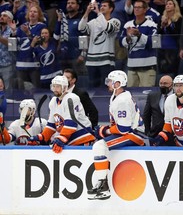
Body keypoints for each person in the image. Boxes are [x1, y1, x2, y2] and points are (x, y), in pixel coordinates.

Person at [89, 70, 144, 200]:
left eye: (110, 81)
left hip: (134, 134)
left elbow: (124, 129)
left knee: (99, 147)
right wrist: (105, 130)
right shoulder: (117, 96)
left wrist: (105, 131)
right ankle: (102, 184)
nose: (108, 83)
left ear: (118, 83)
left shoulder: (122, 100)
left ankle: (103, 186)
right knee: (100, 143)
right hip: (129, 132)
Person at [29, 75, 95, 153]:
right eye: (53, 86)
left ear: (64, 88)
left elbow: (71, 123)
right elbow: (52, 125)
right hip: (70, 139)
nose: (55, 89)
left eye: (58, 86)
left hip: (82, 138)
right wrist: (42, 137)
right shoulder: (53, 101)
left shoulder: (71, 98)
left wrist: (61, 138)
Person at [78, 0, 120, 87]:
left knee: (106, 88)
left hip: (106, 61)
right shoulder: (94, 21)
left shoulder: (115, 21)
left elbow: (107, 28)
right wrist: (87, 12)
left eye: (105, 6)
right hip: (91, 61)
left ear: (111, 9)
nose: (101, 7)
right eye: (101, 6)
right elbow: (81, 28)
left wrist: (98, 13)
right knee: (92, 88)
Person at [120, 0, 158, 87]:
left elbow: (152, 43)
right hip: (131, 66)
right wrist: (128, 37)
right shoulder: (127, 25)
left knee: (145, 95)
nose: (136, 9)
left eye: (139, 7)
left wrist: (139, 34)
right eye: (135, 7)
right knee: (131, 95)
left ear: (145, 10)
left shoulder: (152, 25)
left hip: (148, 66)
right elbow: (121, 42)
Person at [11, 5, 46, 90]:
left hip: (34, 63)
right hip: (21, 63)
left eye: (35, 12)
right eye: (30, 11)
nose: (32, 13)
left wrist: (28, 33)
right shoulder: (22, 26)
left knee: (36, 90)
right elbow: (15, 41)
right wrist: (13, 32)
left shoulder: (41, 26)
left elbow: (39, 42)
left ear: (39, 15)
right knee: (21, 90)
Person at [53, 0, 87, 75]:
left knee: (77, 79)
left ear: (78, 6)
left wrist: (83, 54)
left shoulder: (81, 19)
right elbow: (57, 36)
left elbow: (84, 36)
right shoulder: (63, 20)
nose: (70, 5)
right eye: (68, 3)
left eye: (72, 3)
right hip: (63, 55)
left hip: (76, 56)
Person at [143, 75, 174, 145]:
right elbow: (146, 115)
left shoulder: (176, 96)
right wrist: (148, 132)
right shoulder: (152, 96)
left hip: (173, 134)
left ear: (172, 85)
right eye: (161, 83)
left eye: (165, 83)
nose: (162, 85)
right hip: (155, 134)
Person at [157, 0, 182, 77]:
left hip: (173, 48)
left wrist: (168, 25)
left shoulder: (179, 19)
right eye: (166, 4)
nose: (167, 5)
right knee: (162, 70)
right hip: (162, 48)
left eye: (170, 4)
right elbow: (158, 32)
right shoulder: (162, 18)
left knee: (172, 70)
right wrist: (162, 25)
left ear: (175, 7)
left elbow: (177, 33)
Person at [0, 10, 15, 90]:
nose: (2, 17)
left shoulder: (13, 31)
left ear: (10, 19)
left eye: (5, 16)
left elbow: (12, 46)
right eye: (1, 16)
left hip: (8, 65)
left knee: (8, 90)